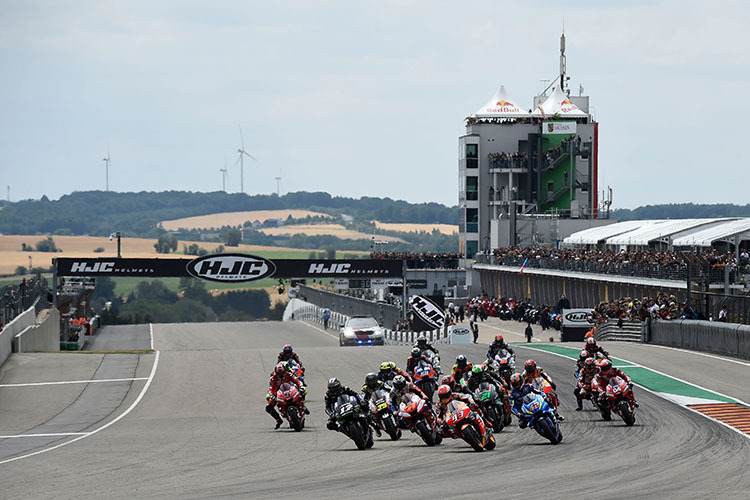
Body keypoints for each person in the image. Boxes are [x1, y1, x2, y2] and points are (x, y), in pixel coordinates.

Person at [266, 362, 308, 429]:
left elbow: (297, 380)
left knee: (302, 392)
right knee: (268, 406)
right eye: (279, 374)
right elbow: (271, 389)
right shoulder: (273, 378)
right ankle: (279, 420)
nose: (281, 376)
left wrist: (301, 386)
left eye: (282, 373)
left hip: (290, 388)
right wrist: (272, 396)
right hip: (279, 392)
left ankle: (303, 407)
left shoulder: (289, 374)